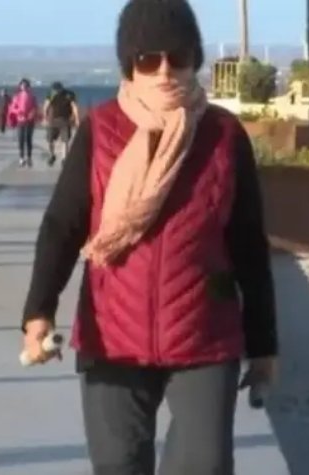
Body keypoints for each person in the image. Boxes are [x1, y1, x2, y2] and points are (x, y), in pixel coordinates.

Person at [19, 1, 279, 474]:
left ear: (194, 60)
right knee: (117, 465)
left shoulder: (223, 135)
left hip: (203, 335)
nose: (163, 70)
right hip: (112, 333)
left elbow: (249, 244)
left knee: (205, 464)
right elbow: (62, 225)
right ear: (129, 64)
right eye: (147, 59)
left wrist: (263, 344)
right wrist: (38, 311)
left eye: (178, 57)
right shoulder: (100, 129)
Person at [43, 81, 79, 166]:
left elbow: (74, 107)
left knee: (65, 141)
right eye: (54, 90)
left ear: (61, 89)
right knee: (50, 140)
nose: (55, 91)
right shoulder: (51, 94)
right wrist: (44, 118)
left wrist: (77, 118)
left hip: (65, 120)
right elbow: (46, 106)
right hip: (52, 120)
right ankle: (52, 155)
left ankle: (64, 159)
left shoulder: (69, 95)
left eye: (57, 90)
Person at [7, 78, 38, 168]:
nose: (23, 86)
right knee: (21, 139)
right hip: (20, 121)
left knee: (28, 139)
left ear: (28, 86)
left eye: (25, 85)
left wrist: (31, 114)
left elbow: (35, 107)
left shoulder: (32, 96)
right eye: (22, 85)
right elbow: (12, 108)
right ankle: (21, 158)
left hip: (29, 121)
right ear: (20, 86)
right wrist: (19, 112)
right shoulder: (17, 96)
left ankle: (29, 157)